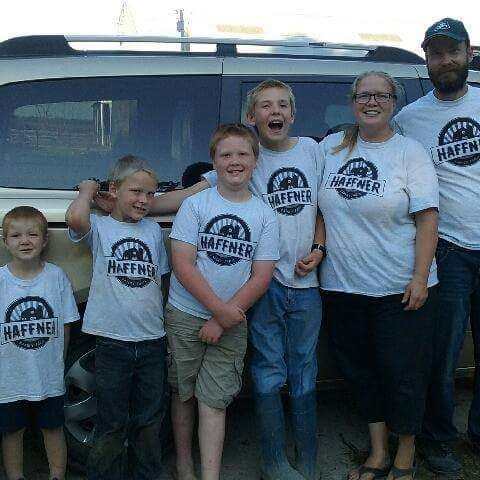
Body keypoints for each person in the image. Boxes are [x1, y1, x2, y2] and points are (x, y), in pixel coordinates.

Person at [122, 79, 324, 480]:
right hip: (209, 309)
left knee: (290, 376)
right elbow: (182, 219)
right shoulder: (211, 192)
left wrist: (319, 247)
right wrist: (133, 200)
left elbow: (322, 204)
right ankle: (217, 463)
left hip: (281, 290)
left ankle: (299, 461)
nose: (276, 112)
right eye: (266, 106)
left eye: (283, 104)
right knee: (204, 387)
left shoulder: (311, 154)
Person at [318, 71, 439, 480]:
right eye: (364, 95)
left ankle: (406, 456)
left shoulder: (410, 152)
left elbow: (427, 219)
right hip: (341, 287)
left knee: (402, 375)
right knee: (360, 371)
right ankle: (377, 452)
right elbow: (311, 202)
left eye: (382, 95)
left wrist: (420, 278)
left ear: (394, 102)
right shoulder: (330, 147)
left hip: (398, 288)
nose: (372, 102)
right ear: (352, 101)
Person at [165, 123, 279, 480]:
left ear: (255, 161)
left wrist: (224, 319)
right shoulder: (196, 205)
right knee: (183, 395)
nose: (234, 161)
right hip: (186, 314)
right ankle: (185, 466)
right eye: (225, 154)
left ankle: (210, 474)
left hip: (232, 320)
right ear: (213, 163)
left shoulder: (264, 214)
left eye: (243, 154)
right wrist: (217, 311)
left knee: (214, 401)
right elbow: (182, 263)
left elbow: (261, 276)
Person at [394, 17, 480, 477]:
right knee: (442, 356)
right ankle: (439, 439)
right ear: (426, 60)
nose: (445, 60)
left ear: (469, 53)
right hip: (447, 249)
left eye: (452, 51)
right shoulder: (409, 119)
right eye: (436, 53)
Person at [66, 155, 170, 480]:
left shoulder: (153, 230)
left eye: (150, 194)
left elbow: (161, 279)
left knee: (149, 423)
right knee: (111, 424)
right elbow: (75, 219)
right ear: (115, 190)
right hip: (112, 343)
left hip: (152, 342)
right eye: (136, 191)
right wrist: (87, 192)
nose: (144, 200)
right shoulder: (101, 227)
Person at [0, 206, 79, 480]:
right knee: (12, 431)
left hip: (48, 375)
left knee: (53, 429)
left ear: (45, 240)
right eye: (16, 235)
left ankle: (57, 475)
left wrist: (60, 362)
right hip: (9, 378)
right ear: (5, 241)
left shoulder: (56, 277)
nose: (25, 241)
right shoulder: (1, 281)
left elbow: (67, 324)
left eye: (33, 234)